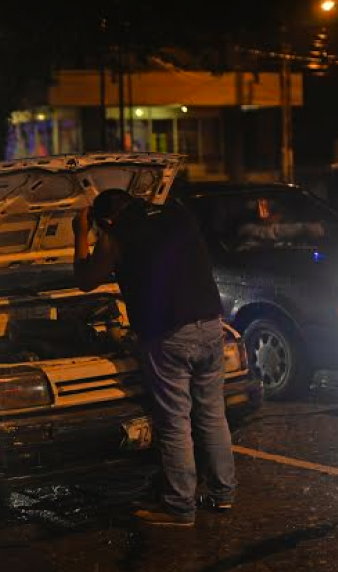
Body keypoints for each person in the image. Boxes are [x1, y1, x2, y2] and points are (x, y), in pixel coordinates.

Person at [72, 188, 236, 527]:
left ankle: (179, 507)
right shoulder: (177, 213)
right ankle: (223, 495)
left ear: (105, 221)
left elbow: (86, 280)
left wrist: (79, 234)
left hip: (169, 334)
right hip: (210, 323)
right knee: (212, 413)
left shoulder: (116, 235)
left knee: (175, 422)